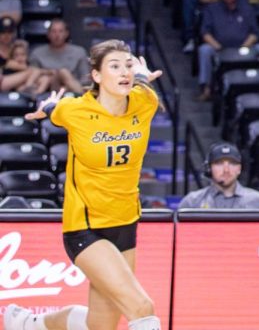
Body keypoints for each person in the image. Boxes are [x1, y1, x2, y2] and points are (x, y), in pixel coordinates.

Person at [3, 41, 163, 330]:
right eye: (114, 66)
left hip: (125, 224)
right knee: (143, 308)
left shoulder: (146, 102)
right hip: (85, 228)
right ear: (97, 76)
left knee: (98, 326)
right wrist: (47, 107)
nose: (124, 71)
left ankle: (27, 324)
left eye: (127, 64)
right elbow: (54, 108)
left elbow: (140, 84)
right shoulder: (75, 110)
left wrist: (139, 76)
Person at [197, 0, 259, 102]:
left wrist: (244, 47)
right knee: (205, 50)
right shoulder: (212, 9)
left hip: (244, 48)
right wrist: (217, 46)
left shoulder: (247, 8)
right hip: (219, 48)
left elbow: (255, 33)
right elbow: (205, 33)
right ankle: (206, 88)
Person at [177, 143, 259, 209]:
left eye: (232, 163)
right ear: (209, 168)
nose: (226, 170)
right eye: (219, 163)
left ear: (239, 168)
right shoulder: (192, 202)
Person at [30, 19, 90, 92]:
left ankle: (81, 98)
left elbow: (85, 78)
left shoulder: (79, 52)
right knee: (62, 72)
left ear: (67, 33)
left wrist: (67, 87)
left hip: (73, 89)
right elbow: (32, 78)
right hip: (47, 90)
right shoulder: (37, 53)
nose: (57, 35)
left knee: (63, 72)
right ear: (48, 34)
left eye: (60, 31)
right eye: (53, 31)